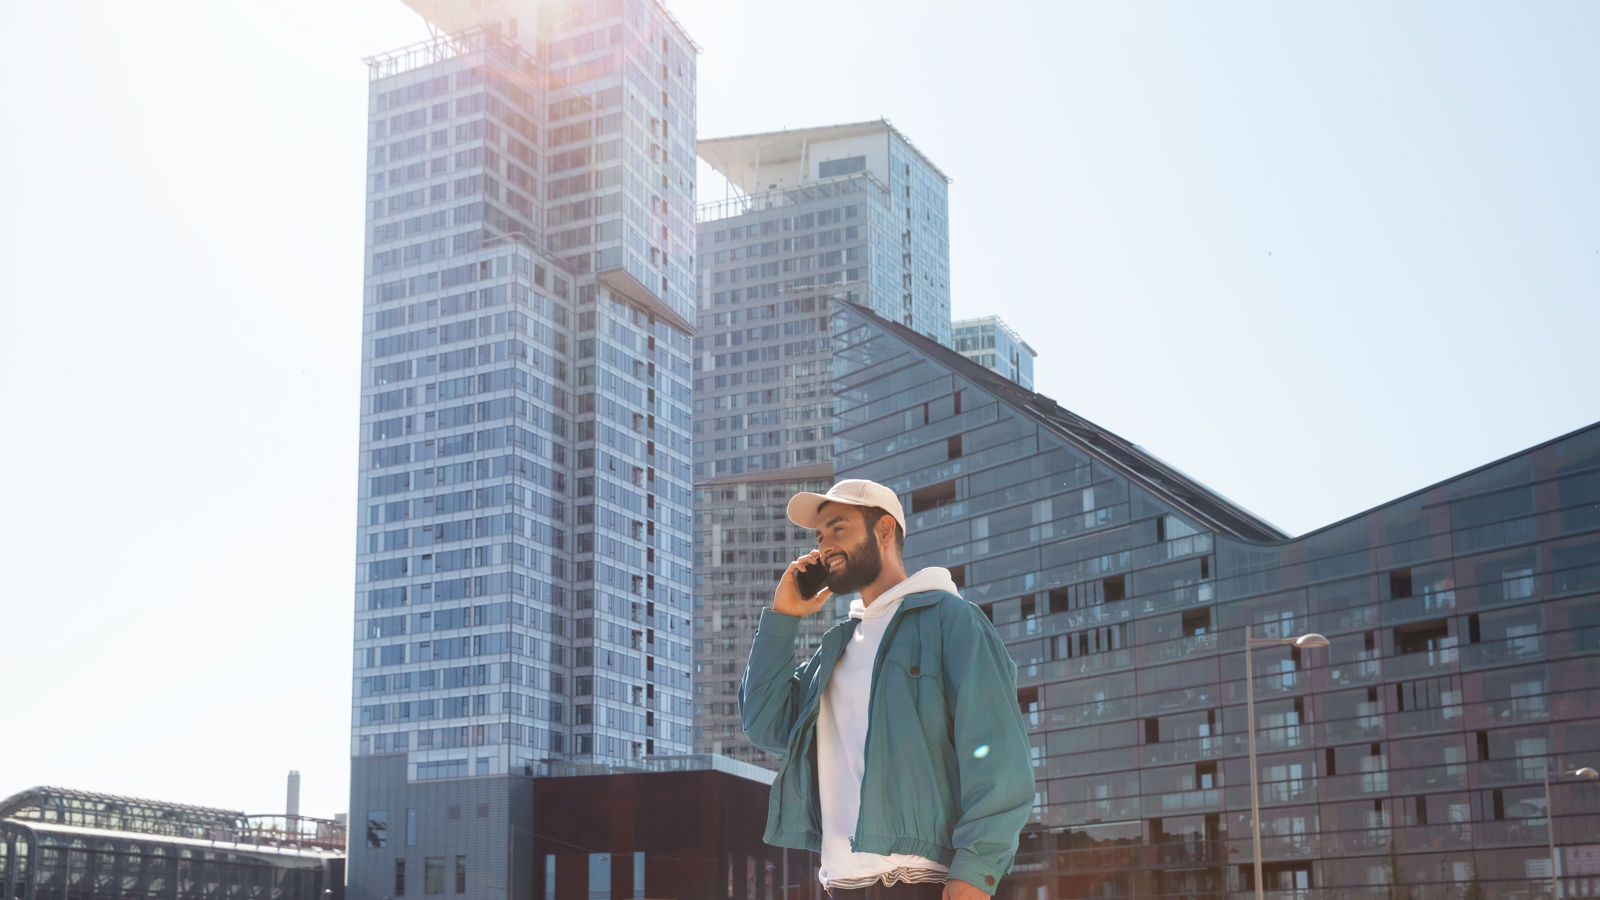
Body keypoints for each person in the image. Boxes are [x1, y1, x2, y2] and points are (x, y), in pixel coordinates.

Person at [740, 479, 1034, 899]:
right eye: (820, 536)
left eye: (838, 528)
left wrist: (976, 871)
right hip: (841, 885)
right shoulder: (835, 650)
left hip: (923, 883)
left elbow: (999, 756)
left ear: (884, 531)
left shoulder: (952, 620)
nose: (824, 546)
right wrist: (782, 618)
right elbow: (763, 724)